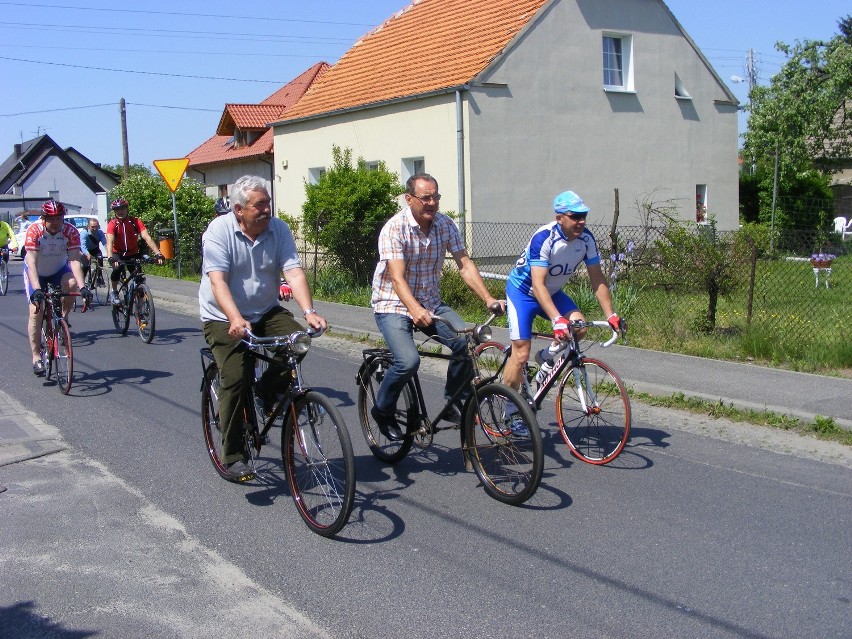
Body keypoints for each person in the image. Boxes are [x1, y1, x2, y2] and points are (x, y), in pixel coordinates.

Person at [199, 175, 327, 482]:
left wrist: (308, 311)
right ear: (239, 209)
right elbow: (218, 281)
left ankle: (268, 393)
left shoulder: (278, 229)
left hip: (266, 309)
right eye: (260, 204)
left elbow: (293, 272)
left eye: (268, 202)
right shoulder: (219, 231)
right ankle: (233, 456)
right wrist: (234, 318)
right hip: (222, 314)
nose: (267, 209)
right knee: (236, 376)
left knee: (299, 342)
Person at [370, 173, 503, 441]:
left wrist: (488, 298)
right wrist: (413, 309)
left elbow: (465, 264)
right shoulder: (395, 229)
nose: (432, 203)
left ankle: (455, 401)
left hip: (430, 303)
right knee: (408, 361)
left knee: (464, 344)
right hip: (393, 303)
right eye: (425, 198)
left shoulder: (445, 225)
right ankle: (382, 410)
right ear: (409, 199)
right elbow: (397, 277)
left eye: (436, 197)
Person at [502, 190, 621, 428]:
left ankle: (547, 357)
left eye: (584, 215)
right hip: (523, 293)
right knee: (521, 353)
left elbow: (597, 279)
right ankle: (510, 410)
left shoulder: (586, 239)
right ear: (559, 218)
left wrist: (611, 314)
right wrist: (556, 320)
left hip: (553, 293)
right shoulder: (544, 238)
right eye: (575, 216)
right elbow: (537, 284)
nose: (581, 221)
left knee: (579, 327)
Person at [23, 201, 90, 376]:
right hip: (36, 271)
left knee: (72, 284)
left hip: (59, 270)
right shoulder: (34, 231)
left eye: (59, 219)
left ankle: (63, 319)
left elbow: (75, 261)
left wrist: (83, 288)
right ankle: (36, 357)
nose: (56, 223)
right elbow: (31, 262)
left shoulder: (70, 231)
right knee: (36, 312)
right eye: (51, 219)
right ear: (43, 218)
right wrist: (37, 289)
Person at [105, 198, 163, 305]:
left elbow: (147, 237)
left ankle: (140, 304)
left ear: (127, 209)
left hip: (132, 252)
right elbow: (110, 241)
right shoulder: (113, 223)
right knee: (117, 269)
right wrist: (110, 257)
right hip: (118, 253)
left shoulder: (135, 221)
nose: (120, 211)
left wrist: (158, 253)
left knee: (138, 277)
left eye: (122, 209)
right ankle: (114, 291)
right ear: (114, 211)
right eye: (117, 209)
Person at [79, 217, 106, 286]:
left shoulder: (100, 232)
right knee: (86, 265)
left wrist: (110, 252)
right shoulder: (84, 233)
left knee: (100, 258)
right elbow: (83, 246)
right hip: (84, 250)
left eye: (96, 227)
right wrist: (87, 254)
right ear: (88, 226)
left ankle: (99, 277)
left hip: (94, 249)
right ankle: (81, 281)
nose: (94, 229)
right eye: (92, 227)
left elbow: (105, 243)